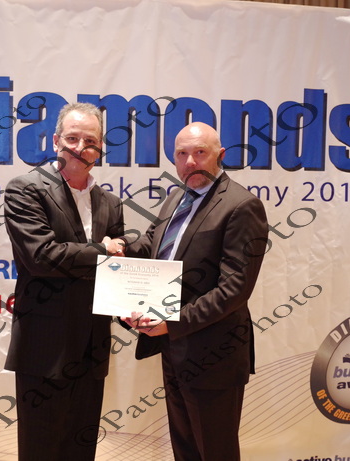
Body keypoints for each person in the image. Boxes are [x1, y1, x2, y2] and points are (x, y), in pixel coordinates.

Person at [116, 122, 269, 461]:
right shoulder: (176, 197)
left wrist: (171, 321)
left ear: (220, 155)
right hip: (174, 348)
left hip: (214, 354)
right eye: (182, 154)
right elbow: (153, 244)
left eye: (200, 152)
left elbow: (234, 289)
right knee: (185, 448)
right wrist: (122, 245)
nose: (190, 162)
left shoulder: (242, 206)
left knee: (215, 451)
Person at [3, 102, 125, 461]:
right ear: (56, 141)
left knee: (81, 449)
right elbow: (41, 257)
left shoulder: (111, 203)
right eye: (72, 138)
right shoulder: (25, 189)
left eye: (90, 141)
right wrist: (101, 250)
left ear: (99, 148)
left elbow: (115, 271)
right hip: (44, 347)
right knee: (40, 449)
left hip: (92, 346)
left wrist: (139, 303)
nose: (80, 147)